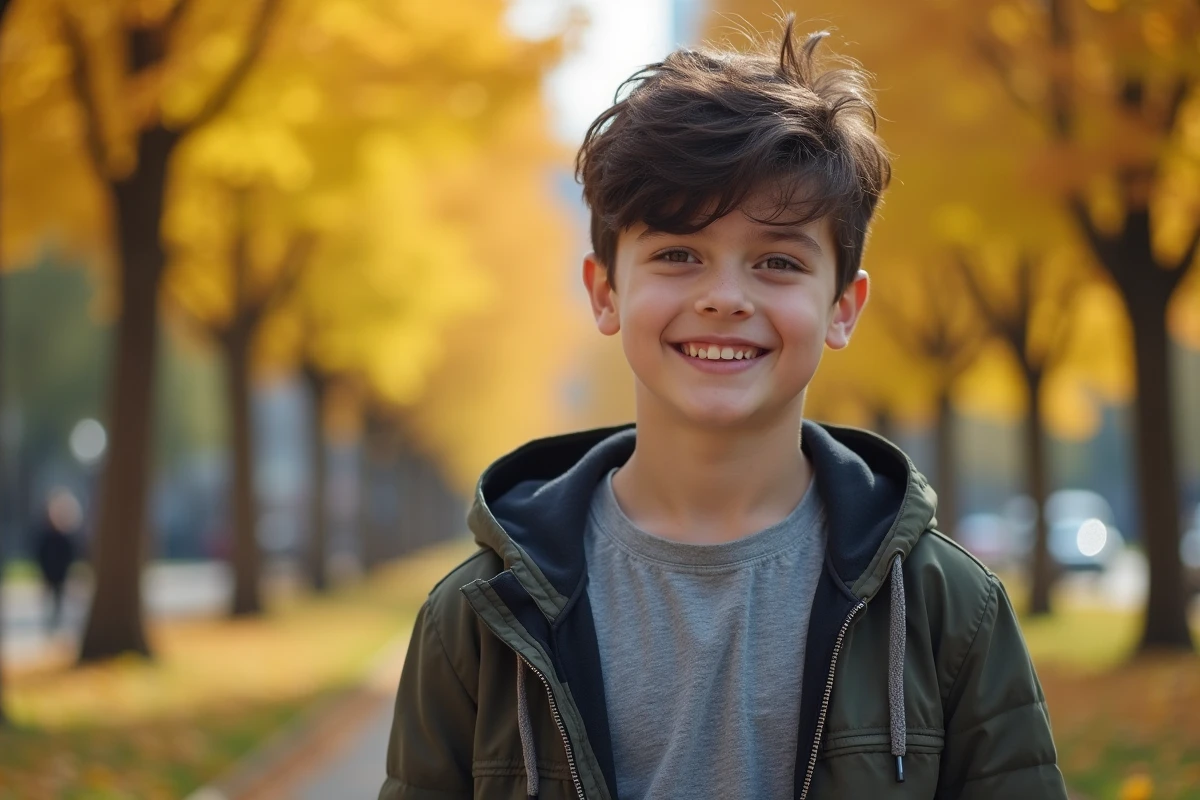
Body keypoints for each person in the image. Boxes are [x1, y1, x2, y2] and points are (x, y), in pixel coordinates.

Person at [379, 17, 1067, 800]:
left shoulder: (951, 611)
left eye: (777, 262)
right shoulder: (474, 620)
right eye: (678, 255)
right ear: (606, 292)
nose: (723, 299)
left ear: (843, 306)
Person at [33, 488, 81, 633]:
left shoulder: (64, 538)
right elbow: (41, 554)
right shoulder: (46, 536)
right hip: (49, 572)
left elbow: (70, 555)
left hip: (60, 572)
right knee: (50, 598)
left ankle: (56, 621)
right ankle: (50, 622)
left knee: (58, 598)